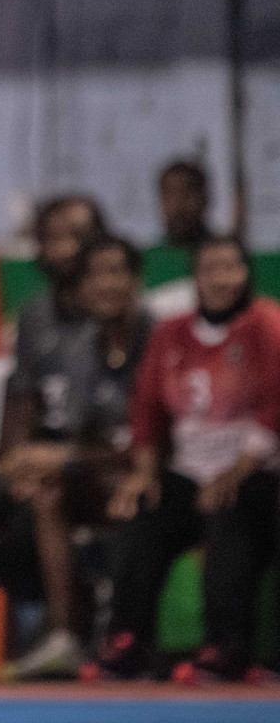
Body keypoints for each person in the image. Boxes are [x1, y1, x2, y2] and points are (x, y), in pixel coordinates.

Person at [0, 234, 151, 680]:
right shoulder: (80, 346)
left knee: (121, 495)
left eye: (116, 272)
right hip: (101, 471)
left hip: (157, 472)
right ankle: (63, 633)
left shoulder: (158, 339)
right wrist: (39, 464)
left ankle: (123, 636)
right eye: (95, 275)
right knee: (39, 495)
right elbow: (79, 436)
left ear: (137, 280)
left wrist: (66, 458)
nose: (105, 285)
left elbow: (151, 444)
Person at [85, 235, 280, 684]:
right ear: (195, 276)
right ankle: (128, 641)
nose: (221, 279)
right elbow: (146, 411)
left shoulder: (263, 325)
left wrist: (234, 473)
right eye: (211, 268)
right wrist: (144, 475)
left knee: (228, 510)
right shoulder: (170, 334)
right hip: (190, 473)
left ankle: (227, 647)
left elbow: (274, 407)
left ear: (246, 274)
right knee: (140, 510)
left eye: (231, 268)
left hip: (254, 473)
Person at [144, 160, 212, 321]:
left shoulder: (226, 257)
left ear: (205, 198)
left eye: (187, 193)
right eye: (169, 194)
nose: (178, 204)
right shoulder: (145, 261)